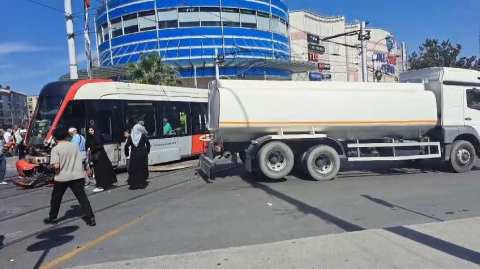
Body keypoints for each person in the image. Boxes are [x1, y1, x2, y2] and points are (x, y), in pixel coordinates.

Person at [43, 128, 95, 226]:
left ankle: (52, 217)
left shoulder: (56, 149)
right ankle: (90, 218)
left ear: (55, 138)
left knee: (56, 198)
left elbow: (56, 166)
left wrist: (52, 166)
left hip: (62, 177)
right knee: (82, 198)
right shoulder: (74, 146)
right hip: (77, 176)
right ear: (66, 136)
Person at [87, 125, 117, 192]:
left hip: (100, 156)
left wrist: (91, 148)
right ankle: (104, 184)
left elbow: (99, 146)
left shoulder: (97, 137)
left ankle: (100, 185)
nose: (90, 132)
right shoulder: (92, 137)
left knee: (100, 171)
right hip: (98, 156)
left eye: (91, 130)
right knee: (100, 170)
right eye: (89, 130)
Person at [125, 124, 150, 190]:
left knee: (134, 169)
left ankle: (134, 184)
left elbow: (126, 146)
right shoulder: (142, 136)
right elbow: (148, 143)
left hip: (134, 155)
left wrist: (127, 153)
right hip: (143, 155)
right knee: (142, 168)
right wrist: (147, 151)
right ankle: (142, 183)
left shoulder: (131, 137)